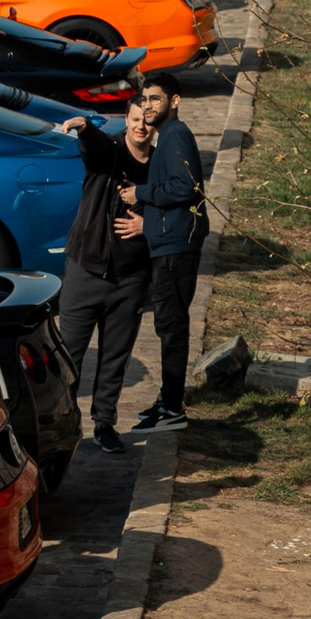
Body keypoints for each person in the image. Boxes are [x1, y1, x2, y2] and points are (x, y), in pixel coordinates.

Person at [53, 110, 156, 455]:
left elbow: (183, 208)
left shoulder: (162, 168)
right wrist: (85, 128)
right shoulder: (110, 152)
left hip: (131, 279)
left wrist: (148, 225)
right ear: (126, 120)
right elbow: (94, 150)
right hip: (86, 271)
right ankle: (60, 425)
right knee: (68, 358)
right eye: (136, 118)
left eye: (149, 119)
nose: (141, 126)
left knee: (115, 357)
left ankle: (104, 424)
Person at [127, 73, 206, 435]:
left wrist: (141, 194)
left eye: (155, 99)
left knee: (172, 327)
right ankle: (168, 400)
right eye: (144, 100)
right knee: (167, 325)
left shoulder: (175, 136)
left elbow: (184, 188)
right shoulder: (169, 135)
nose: (147, 106)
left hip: (176, 248)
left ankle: (173, 408)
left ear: (174, 101)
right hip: (169, 245)